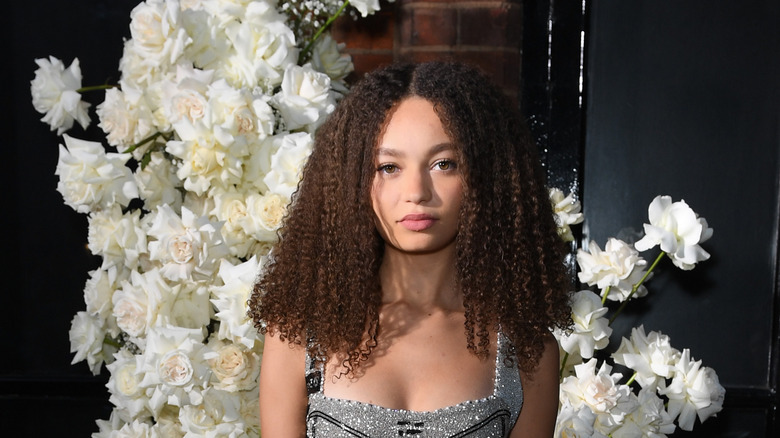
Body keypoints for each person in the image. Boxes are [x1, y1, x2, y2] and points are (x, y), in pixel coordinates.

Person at [248, 60, 572, 437]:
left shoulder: (525, 346)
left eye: (443, 164)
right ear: (350, 179)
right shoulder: (299, 334)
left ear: (487, 176)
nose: (416, 192)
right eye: (388, 167)